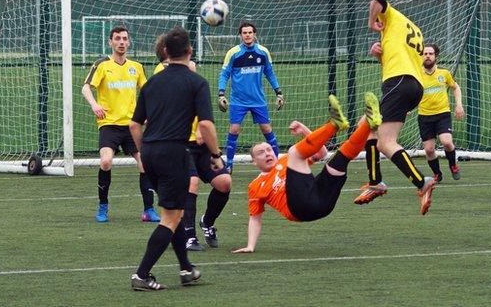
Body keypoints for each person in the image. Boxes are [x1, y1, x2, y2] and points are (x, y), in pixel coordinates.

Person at [129, 26, 224, 291]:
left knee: (175, 212)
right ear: (190, 51)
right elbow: (205, 125)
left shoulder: (151, 82)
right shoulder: (197, 82)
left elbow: (135, 125)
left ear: (166, 52)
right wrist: (216, 156)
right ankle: (141, 275)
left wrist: (143, 152)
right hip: (174, 153)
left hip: (149, 152)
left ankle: (186, 269)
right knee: (170, 218)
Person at [231, 93, 381, 253]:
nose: (267, 153)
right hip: (299, 209)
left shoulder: (286, 161)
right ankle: (334, 125)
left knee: (340, 158)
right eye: (261, 152)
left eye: (269, 149)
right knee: (295, 152)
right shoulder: (255, 185)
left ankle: (369, 122)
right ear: (253, 161)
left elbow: (321, 153)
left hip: (323, 204)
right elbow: (255, 218)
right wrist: (250, 246)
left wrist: (303, 130)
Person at [353, 0, 437, 215]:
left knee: (385, 142)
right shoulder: (412, 30)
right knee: (368, 128)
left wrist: (371, 21)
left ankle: (422, 182)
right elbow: (396, 58)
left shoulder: (391, 16)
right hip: (412, 86)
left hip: (398, 83)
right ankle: (375, 182)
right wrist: (378, 55)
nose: (378, 21)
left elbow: (376, 0)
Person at [152, 35, 232, 251]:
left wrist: (199, 128)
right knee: (192, 183)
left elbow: (197, 105)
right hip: (179, 144)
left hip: (201, 143)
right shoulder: (161, 74)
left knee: (224, 182)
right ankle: (189, 236)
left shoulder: (192, 73)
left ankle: (207, 222)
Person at [82, 26, 160, 223]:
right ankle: (103, 206)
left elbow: (148, 92)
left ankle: (148, 210)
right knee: (106, 161)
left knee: (145, 163)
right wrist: (94, 104)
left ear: (129, 42)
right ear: (110, 42)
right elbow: (85, 88)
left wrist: (149, 114)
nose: (121, 42)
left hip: (132, 126)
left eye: (125, 38)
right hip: (109, 124)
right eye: (117, 39)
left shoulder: (136, 67)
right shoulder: (102, 65)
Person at [218, 21, 284, 174]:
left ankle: (276, 163)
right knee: (234, 130)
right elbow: (224, 74)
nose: (247, 35)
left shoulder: (263, 52)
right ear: (240, 35)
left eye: (250, 32)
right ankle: (229, 164)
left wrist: (278, 92)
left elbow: (270, 73)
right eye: (244, 33)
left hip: (258, 100)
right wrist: (221, 93)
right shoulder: (233, 53)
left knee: (267, 129)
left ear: (255, 34)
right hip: (238, 100)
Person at [417, 44, 464, 181]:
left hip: (442, 114)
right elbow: (410, 92)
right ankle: (437, 174)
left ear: (436, 56)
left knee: (447, 142)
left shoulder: (444, 74)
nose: (427, 56)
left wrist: (459, 105)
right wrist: (405, 107)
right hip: (424, 116)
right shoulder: (417, 74)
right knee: (429, 150)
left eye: (430, 54)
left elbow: (455, 88)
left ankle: (453, 165)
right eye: (425, 54)